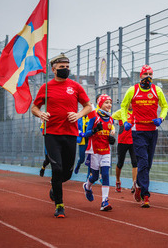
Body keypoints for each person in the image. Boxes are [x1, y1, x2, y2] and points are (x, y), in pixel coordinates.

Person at [31, 53, 92, 218]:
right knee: (56, 169)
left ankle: (54, 186)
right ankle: (59, 205)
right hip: (51, 134)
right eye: (61, 67)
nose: (65, 70)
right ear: (53, 69)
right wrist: (41, 114)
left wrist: (78, 115)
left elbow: (88, 106)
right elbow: (34, 107)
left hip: (71, 134)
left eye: (67, 67)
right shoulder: (45, 87)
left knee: (67, 173)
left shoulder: (76, 86)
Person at [121, 65, 168, 208]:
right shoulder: (132, 90)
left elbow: (165, 106)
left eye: (150, 74)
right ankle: (145, 195)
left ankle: (139, 184)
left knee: (148, 164)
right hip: (138, 130)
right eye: (146, 74)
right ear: (140, 76)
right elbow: (124, 106)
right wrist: (125, 121)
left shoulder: (157, 90)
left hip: (152, 130)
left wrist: (161, 118)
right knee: (143, 161)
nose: (148, 76)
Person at [82, 94, 116, 211]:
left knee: (105, 174)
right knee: (95, 176)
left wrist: (112, 140)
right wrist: (95, 130)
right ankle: (87, 186)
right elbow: (86, 134)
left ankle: (104, 201)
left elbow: (110, 134)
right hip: (94, 150)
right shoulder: (94, 116)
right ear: (100, 103)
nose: (109, 105)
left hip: (106, 151)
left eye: (110, 102)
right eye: (106, 102)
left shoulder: (111, 118)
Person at [112, 104, 137, 193]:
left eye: (132, 102)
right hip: (122, 141)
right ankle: (118, 181)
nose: (131, 104)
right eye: (129, 102)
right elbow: (110, 119)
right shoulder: (120, 112)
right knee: (120, 163)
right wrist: (112, 128)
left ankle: (134, 184)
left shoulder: (136, 112)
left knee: (135, 162)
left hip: (134, 141)